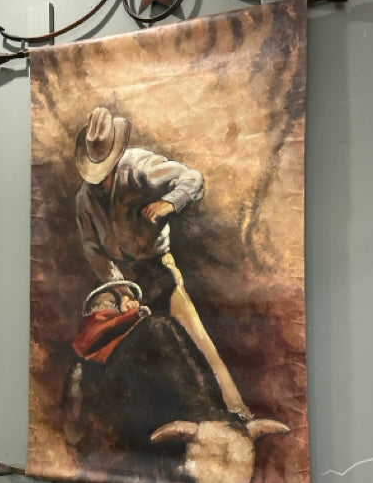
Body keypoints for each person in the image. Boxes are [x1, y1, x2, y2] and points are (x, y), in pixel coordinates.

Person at [75, 106, 251, 418]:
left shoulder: (139, 167)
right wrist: (120, 290)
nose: (99, 182)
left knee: (197, 342)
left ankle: (236, 414)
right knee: (104, 349)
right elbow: (93, 250)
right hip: (118, 278)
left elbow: (193, 179)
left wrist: (168, 203)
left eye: (104, 173)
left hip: (157, 269)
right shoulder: (84, 199)